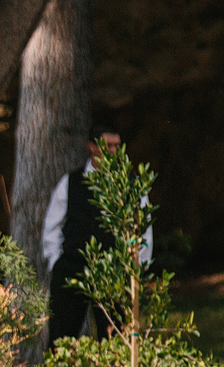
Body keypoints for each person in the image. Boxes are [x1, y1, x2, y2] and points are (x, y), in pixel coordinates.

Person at [42, 125, 153, 343]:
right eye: (107, 145)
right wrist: (57, 262)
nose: (113, 151)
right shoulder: (71, 182)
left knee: (115, 339)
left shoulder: (132, 185)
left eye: (116, 146)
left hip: (114, 274)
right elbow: (51, 226)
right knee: (61, 340)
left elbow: (144, 230)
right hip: (73, 271)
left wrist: (138, 268)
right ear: (92, 147)